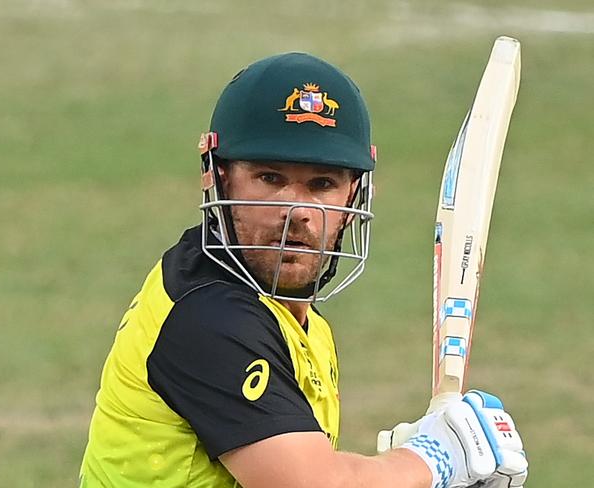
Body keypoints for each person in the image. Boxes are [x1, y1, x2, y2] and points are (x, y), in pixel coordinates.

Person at [79, 52, 528, 488]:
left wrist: (407, 472)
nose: (296, 211)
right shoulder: (210, 319)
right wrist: (429, 462)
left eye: (322, 184)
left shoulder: (297, 323)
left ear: (354, 198)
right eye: (270, 178)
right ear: (216, 176)